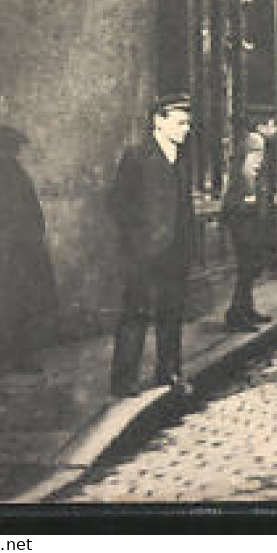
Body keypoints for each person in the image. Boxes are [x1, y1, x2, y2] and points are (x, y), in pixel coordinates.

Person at [107, 94, 196, 398]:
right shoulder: (137, 156)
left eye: (188, 123)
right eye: (180, 122)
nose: (186, 129)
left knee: (171, 313)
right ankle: (123, 380)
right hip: (143, 253)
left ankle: (168, 371)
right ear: (159, 121)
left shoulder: (183, 157)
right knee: (136, 313)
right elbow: (118, 204)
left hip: (175, 252)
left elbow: (184, 207)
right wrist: (137, 242)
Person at [0, 125, 58, 373]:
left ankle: (21, 355)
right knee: (3, 303)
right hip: (2, 251)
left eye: (14, 149)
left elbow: (31, 209)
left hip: (25, 249)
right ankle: (1, 358)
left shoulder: (16, 173)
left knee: (26, 303)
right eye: (7, 148)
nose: (13, 153)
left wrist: (34, 235)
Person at [221, 132, 276, 332]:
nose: (259, 161)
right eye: (256, 155)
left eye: (261, 155)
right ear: (247, 154)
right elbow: (228, 207)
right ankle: (235, 315)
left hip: (255, 231)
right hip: (242, 232)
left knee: (252, 271)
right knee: (245, 272)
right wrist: (246, 204)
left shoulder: (257, 175)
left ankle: (247, 309)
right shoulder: (237, 176)